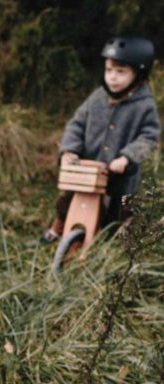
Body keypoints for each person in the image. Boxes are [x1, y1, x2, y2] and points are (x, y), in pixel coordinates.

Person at [42, 36, 161, 242]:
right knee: (68, 201)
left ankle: (117, 243)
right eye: (109, 70)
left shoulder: (144, 105)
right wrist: (69, 150)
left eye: (120, 72)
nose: (112, 77)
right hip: (89, 169)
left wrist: (127, 157)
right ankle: (59, 227)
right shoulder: (98, 98)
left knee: (119, 213)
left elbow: (150, 137)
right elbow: (76, 124)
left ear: (139, 73)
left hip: (120, 174)